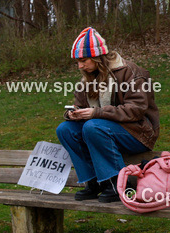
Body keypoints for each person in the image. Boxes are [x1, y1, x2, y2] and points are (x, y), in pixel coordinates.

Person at [57, 27, 158, 203]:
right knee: (65, 129)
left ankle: (116, 183)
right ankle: (93, 182)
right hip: (102, 130)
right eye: (78, 62)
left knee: (92, 126)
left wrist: (96, 112)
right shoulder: (87, 78)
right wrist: (72, 114)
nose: (80, 66)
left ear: (98, 58)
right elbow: (80, 105)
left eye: (83, 60)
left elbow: (136, 109)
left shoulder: (131, 73)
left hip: (138, 133)